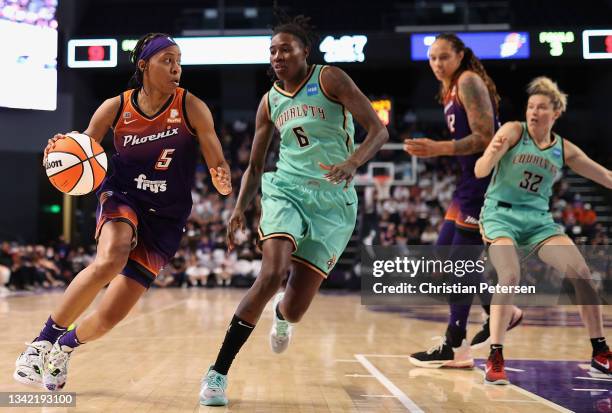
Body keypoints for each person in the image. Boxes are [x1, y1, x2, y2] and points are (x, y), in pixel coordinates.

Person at [13, 33, 232, 391]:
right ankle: (40, 344)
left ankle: (64, 348)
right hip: (123, 195)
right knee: (112, 256)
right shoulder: (115, 107)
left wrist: (222, 178)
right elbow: (83, 147)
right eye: (167, 60)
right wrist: (60, 152)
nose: (176, 67)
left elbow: (217, 161)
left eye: (179, 60)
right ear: (143, 65)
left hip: (166, 217)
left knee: (112, 315)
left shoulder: (192, 106)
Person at [199, 13, 388, 406]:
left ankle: (283, 318)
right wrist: (238, 210)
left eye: (286, 48)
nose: (278, 55)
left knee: (296, 307)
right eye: (272, 50)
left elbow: (379, 129)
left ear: (305, 51)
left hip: (334, 202)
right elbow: (254, 166)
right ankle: (217, 373)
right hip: (286, 190)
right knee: (271, 273)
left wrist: (353, 162)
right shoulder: (269, 102)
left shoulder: (330, 79)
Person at [475, 76, 612, 384]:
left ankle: (600, 352)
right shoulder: (513, 131)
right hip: (500, 216)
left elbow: (604, 176)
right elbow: (481, 170)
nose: (534, 112)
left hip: (538, 222)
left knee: (582, 274)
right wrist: (490, 154)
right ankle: (495, 355)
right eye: (530, 106)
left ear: (556, 113)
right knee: (509, 275)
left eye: (541, 107)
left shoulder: (563, 149)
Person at [404, 33, 522, 369]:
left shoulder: (468, 81)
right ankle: (500, 310)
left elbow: (485, 138)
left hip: (487, 181)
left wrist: (437, 147)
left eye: (443, 57)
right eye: (432, 58)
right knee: (445, 258)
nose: (437, 64)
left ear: (459, 56)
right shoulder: (450, 87)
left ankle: (455, 345)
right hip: (469, 182)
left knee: (458, 263)